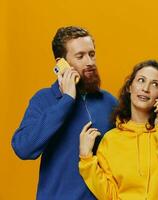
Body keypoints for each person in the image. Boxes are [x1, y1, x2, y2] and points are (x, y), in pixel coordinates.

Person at [11, 26, 118, 200]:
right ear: (62, 63)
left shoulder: (109, 102)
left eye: (92, 54)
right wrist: (67, 99)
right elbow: (24, 148)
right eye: (80, 56)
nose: (90, 62)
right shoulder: (44, 99)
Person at [79, 60, 158, 200]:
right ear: (130, 87)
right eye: (141, 80)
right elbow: (110, 196)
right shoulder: (111, 140)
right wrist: (86, 159)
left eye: (155, 84)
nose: (146, 88)